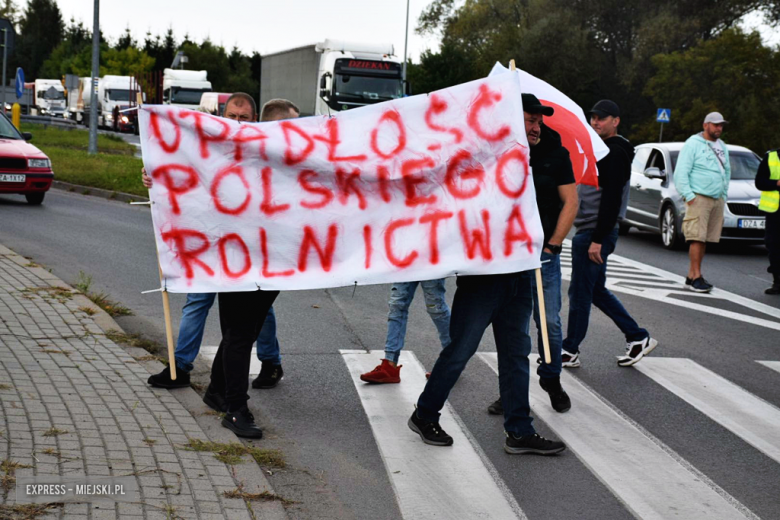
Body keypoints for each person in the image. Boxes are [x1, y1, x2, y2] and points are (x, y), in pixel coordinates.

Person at [145, 93, 290, 393]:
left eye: (245, 118)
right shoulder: (204, 147)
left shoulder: (260, 150)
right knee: (198, 299)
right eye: (233, 116)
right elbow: (181, 171)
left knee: (258, 311)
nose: (237, 123)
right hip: (210, 241)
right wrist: (156, 177)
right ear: (221, 117)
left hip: (246, 247)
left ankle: (270, 360)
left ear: (255, 122)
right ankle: (180, 366)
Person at [488, 94, 577, 416]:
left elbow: (571, 202)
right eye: (530, 120)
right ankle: (511, 392)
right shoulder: (498, 152)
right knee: (513, 329)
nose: (537, 126)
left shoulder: (556, 152)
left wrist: (553, 245)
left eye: (539, 121)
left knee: (549, 323)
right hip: (508, 257)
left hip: (543, 256)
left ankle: (551, 378)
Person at [561, 100, 657, 368]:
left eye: (601, 118)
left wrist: (597, 240)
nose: (595, 122)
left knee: (580, 293)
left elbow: (612, 199)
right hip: (592, 229)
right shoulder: (603, 150)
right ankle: (637, 336)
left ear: (616, 121)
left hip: (594, 231)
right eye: (593, 118)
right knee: (596, 292)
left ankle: (569, 350)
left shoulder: (614, 153)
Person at [674, 112, 731, 293]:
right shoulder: (693, 144)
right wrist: (689, 195)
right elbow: (681, 172)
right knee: (696, 238)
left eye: (721, 125)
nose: (718, 128)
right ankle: (697, 276)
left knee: (705, 238)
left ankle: (692, 276)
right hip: (699, 197)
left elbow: (726, 171)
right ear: (705, 125)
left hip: (716, 198)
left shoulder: (722, 146)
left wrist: (724, 194)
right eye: (715, 125)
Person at [359, 279, 451, 384]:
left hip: (429, 264)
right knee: (397, 305)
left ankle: (452, 360)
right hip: (406, 264)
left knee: (435, 307)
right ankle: (390, 365)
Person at [755, 148, 780, 294]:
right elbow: (759, 182)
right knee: (774, 245)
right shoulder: (770, 157)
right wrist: (776, 183)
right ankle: (777, 281)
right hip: (774, 212)